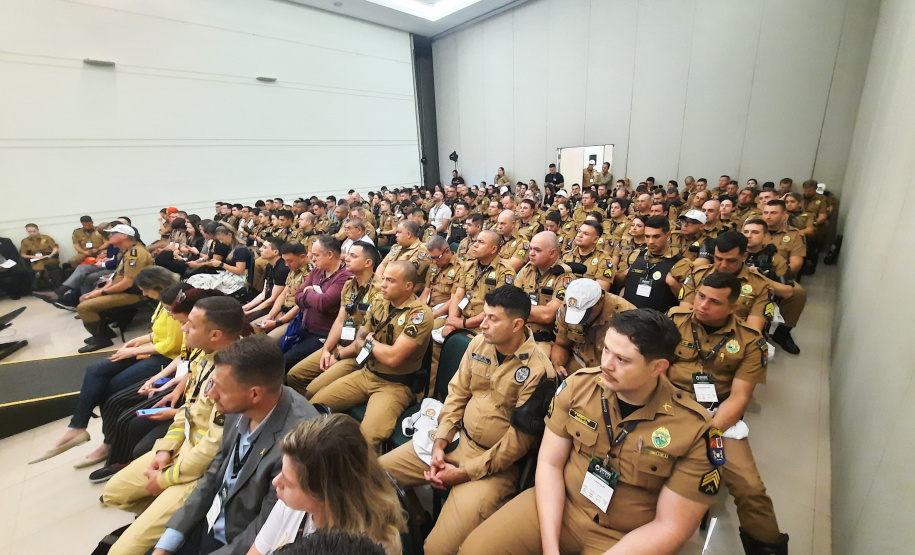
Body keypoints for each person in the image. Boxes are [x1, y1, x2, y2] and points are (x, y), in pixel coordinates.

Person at [459, 310, 720, 554]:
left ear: (657, 367)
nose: (606, 364)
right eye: (606, 349)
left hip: (626, 535)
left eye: (622, 359)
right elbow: (550, 464)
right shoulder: (579, 386)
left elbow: (671, 526)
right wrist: (550, 547)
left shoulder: (695, 430)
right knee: (474, 550)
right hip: (561, 505)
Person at [380, 285, 556, 554]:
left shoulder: (539, 371)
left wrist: (464, 472)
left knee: (437, 550)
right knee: (373, 477)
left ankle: (424, 536)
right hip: (457, 439)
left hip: (493, 464)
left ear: (517, 324)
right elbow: (457, 394)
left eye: (492, 318)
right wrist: (440, 442)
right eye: (483, 315)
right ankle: (416, 520)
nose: (482, 324)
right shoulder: (480, 343)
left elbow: (518, 443)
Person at [101, 297, 250, 555]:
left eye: (190, 325)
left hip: (201, 470)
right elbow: (188, 410)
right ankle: (170, 522)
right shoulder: (204, 357)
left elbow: (214, 446)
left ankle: (179, 524)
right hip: (181, 449)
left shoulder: (235, 373)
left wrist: (166, 479)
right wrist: (165, 450)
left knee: (120, 552)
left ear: (215, 335)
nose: (183, 328)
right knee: (113, 492)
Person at [148, 335, 320, 555]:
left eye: (219, 387)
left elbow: (266, 528)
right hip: (209, 521)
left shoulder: (297, 445)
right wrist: (170, 540)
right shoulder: (237, 408)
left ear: (255, 394)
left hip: (237, 541)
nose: (210, 394)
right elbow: (214, 474)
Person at [667, 273, 789, 555]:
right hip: (668, 406)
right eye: (700, 296)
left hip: (717, 417)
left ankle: (767, 547)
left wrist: (704, 433)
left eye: (714, 302)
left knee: (750, 489)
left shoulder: (750, 342)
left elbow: (739, 399)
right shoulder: (674, 320)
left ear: (733, 308)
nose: (703, 305)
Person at [30, 267, 183, 465]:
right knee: (95, 370)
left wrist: (134, 351)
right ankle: (77, 426)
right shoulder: (162, 303)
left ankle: (110, 442)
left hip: (166, 358)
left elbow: (174, 345)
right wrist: (141, 339)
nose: (144, 294)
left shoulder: (173, 303)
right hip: (157, 350)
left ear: (158, 286)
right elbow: (161, 332)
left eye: (145, 290)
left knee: (111, 388)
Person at [310, 261, 433, 448]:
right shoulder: (379, 302)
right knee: (314, 405)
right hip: (367, 373)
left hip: (395, 385)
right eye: (383, 279)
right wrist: (369, 342)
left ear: (408, 286)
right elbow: (359, 336)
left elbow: (393, 358)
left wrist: (370, 341)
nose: (383, 284)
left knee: (367, 439)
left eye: (390, 281)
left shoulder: (419, 315)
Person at [248, 414, 405, 555]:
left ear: (326, 495)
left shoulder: (368, 547)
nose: (276, 482)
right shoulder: (293, 504)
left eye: (289, 484)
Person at [286, 241, 381, 399]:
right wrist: (326, 350)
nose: (347, 259)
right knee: (294, 375)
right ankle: (310, 410)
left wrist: (338, 356)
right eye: (348, 254)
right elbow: (340, 319)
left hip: (359, 353)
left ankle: (317, 409)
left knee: (313, 390)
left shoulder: (379, 291)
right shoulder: (350, 285)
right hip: (341, 344)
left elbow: (366, 337)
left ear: (368, 263)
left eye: (353, 256)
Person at [70, 224, 154, 352]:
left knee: (84, 307)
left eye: (113, 234)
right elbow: (116, 276)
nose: (109, 236)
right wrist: (98, 291)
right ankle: (105, 332)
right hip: (121, 289)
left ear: (124, 236)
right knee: (84, 297)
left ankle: (101, 339)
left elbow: (127, 283)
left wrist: (102, 292)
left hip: (134, 293)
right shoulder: (125, 251)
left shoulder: (136, 253)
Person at [679, 231, 778, 333]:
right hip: (693, 332)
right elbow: (685, 311)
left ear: (744, 256)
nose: (723, 265)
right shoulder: (698, 274)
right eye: (718, 258)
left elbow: (752, 329)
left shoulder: (760, 286)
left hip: (733, 340)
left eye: (731, 261)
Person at [282, 235, 352, 371]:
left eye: (315, 255)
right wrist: (313, 295)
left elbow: (324, 303)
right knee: (276, 352)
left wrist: (308, 292)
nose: (312, 258)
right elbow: (298, 296)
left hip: (322, 334)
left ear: (330, 254)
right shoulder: (317, 270)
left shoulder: (345, 276)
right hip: (302, 327)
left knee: (285, 362)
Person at [550, 278, 635, 378]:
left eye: (586, 312)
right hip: (577, 368)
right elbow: (561, 345)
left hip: (609, 373)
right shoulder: (566, 309)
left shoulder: (626, 315)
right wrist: (557, 365)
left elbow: (632, 361)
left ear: (601, 300)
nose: (582, 320)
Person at [441, 230, 516, 338]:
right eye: (476, 241)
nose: (475, 245)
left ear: (493, 249)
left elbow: (495, 308)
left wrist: (464, 323)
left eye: (481, 242)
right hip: (461, 319)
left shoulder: (505, 272)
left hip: (485, 326)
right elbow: (458, 296)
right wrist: (451, 322)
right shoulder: (468, 266)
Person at [616, 216, 692, 313]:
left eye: (656, 236)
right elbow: (616, 283)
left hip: (657, 320)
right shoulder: (635, 255)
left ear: (668, 235)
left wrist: (673, 284)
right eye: (647, 236)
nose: (651, 242)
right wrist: (625, 275)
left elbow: (687, 301)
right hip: (628, 316)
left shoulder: (681, 264)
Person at [514, 231, 574, 346]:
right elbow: (508, 303)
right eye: (530, 249)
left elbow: (548, 316)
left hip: (543, 341)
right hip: (518, 334)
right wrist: (535, 314)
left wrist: (518, 311)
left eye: (537, 250)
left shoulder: (565, 278)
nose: (531, 253)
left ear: (552, 253)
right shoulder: (526, 270)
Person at [243, 238, 289, 323]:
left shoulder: (282, 269)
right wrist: (246, 307)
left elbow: (272, 299)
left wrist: (249, 312)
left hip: (275, 307)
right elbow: (265, 292)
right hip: (267, 303)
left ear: (276, 252)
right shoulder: (269, 266)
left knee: (247, 321)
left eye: (264, 247)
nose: (260, 249)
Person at [19, 222, 61, 287]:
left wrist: (51, 255)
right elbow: (23, 254)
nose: (32, 233)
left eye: (34, 231)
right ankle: (50, 282)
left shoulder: (46, 238)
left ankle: (39, 275)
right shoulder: (25, 241)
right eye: (30, 232)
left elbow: (55, 248)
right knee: (39, 264)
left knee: (42, 265)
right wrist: (34, 256)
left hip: (49, 258)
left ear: (38, 230)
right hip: (36, 259)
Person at [0, 235, 32, 299]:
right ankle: (12, 292)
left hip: (9, 263)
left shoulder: (6, 241)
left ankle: (23, 291)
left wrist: (7, 266)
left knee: (20, 270)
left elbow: (15, 255)